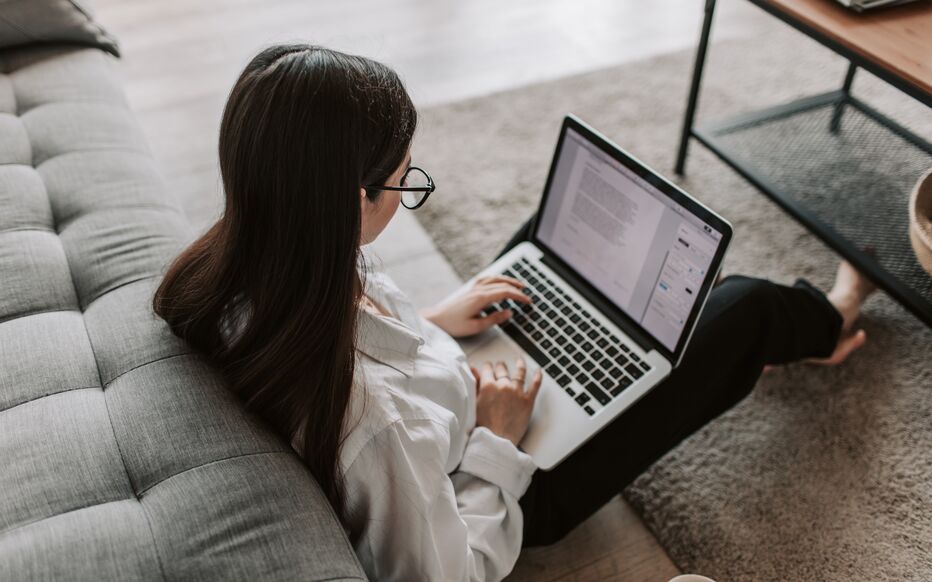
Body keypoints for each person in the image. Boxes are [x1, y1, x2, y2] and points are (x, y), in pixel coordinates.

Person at [153, 44, 876, 581]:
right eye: (406, 185)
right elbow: (453, 572)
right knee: (740, 308)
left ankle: (575, 310)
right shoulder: (377, 430)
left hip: (452, 393)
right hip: (507, 478)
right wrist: (498, 442)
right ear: (351, 201)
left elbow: (356, 353)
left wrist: (434, 322)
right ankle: (831, 318)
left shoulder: (250, 264)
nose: (408, 194)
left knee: (546, 249)